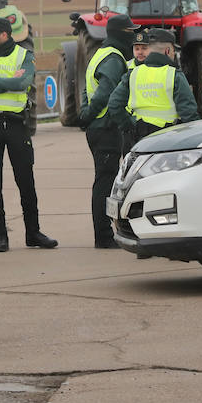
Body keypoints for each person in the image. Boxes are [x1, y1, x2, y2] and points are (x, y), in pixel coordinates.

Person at [0, 17, 57, 253]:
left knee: (26, 181)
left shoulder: (23, 55)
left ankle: (33, 232)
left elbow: (24, 83)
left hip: (17, 125)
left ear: (4, 35)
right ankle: (0, 236)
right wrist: (8, 81)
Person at [74, 14, 137, 249]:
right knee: (105, 182)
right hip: (105, 128)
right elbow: (105, 93)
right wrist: (89, 115)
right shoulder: (113, 58)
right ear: (120, 33)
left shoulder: (101, 53)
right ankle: (103, 236)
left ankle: (104, 233)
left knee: (105, 180)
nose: (133, 37)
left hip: (99, 127)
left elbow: (86, 91)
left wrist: (85, 114)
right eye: (130, 32)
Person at [108, 28, 200, 151]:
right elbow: (189, 113)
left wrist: (129, 125)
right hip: (168, 138)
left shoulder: (133, 73)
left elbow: (114, 104)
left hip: (137, 138)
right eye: (173, 50)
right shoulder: (174, 75)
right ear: (168, 51)